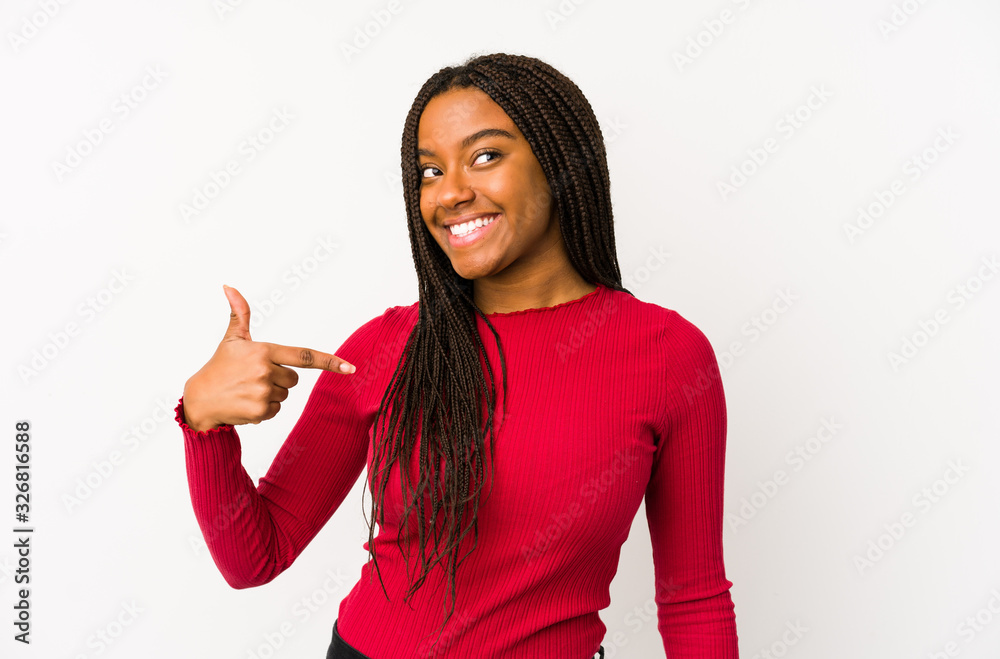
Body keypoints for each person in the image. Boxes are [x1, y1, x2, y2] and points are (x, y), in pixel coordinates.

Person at [175, 52, 739, 658]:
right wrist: (204, 422)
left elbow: (693, 598)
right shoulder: (388, 347)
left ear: (560, 162)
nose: (450, 193)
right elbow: (255, 557)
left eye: (485, 156)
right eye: (430, 171)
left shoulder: (667, 356)